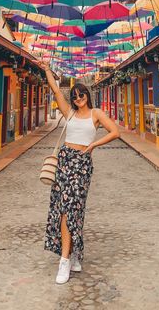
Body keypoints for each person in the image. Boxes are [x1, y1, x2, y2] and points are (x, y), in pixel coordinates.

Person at [41, 64, 120, 285]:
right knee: (64, 208)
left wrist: (94, 144)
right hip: (65, 161)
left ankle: (71, 255)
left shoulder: (96, 114)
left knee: (75, 209)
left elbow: (115, 132)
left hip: (82, 164)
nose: (78, 99)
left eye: (81, 95)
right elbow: (56, 91)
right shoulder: (70, 113)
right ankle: (66, 259)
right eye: (74, 96)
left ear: (87, 95)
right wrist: (47, 69)